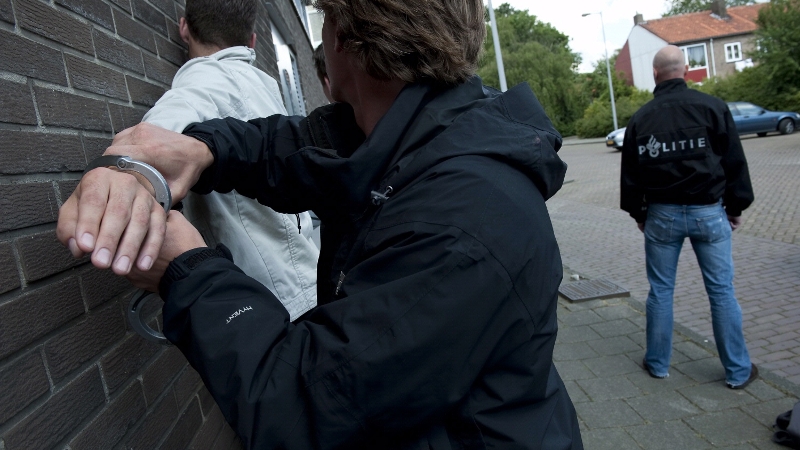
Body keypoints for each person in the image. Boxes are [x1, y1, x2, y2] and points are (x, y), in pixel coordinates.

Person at [57, 0, 583, 447]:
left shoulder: (462, 227)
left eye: (326, 17)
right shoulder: (420, 137)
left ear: (347, 39)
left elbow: (301, 404)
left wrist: (186, 271)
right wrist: (199, 149)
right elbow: (299, 149)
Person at [141, 0, 319, 321]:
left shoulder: (207, 80)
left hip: (272, 304)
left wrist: (129, 172)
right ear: (251, 41)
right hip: (304, 282)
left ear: (184, 28)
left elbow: (159, 136)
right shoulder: (262, 87)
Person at [620, 45, 757, 389]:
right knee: (721, 292)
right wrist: (735, 208)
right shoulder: (712, 107)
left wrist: (639, 213)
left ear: (655, 74)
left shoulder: (641, 117)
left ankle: (657, 364)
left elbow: (631, 174)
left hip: (661, 215)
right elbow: (734, 161)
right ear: (686, 69)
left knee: (661, 291)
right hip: (709, 213)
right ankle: (738, 372)